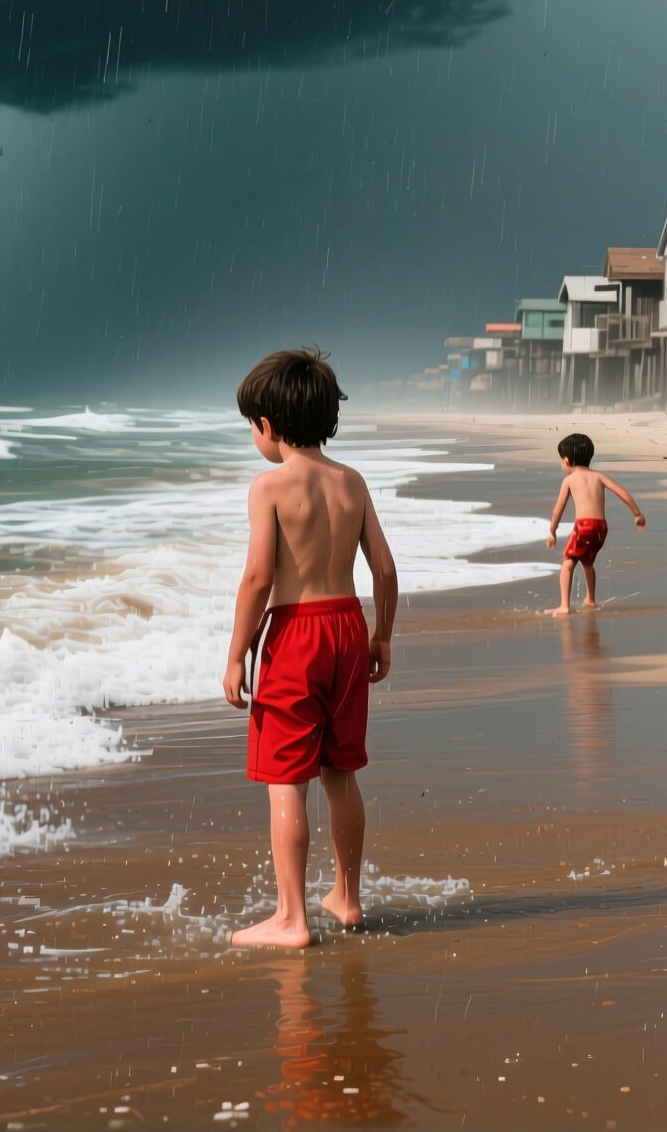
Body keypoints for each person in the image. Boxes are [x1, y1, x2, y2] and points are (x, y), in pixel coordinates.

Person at [221, 348, 400, 949]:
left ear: (268, 427)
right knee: (341, 771)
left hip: (295, 633)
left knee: (285, 781)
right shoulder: (351, 482)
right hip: (348, 626)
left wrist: (236, 654)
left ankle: (291, 918)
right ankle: (347, 898)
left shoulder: (270, 486)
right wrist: (383, 634)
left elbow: (257, 579)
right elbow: (385, 569)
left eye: (253, 425)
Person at [544, 432, 647, 615]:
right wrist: (636, 513)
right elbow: (622, 492)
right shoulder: (599, 476)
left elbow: (557, 509)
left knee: (568, 562)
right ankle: (590, 599)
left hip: (583, 526)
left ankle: (564, 606)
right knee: (587, 562)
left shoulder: (569, 480)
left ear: (567, 460)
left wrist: (552, 530)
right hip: (601, 527)